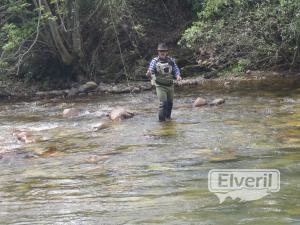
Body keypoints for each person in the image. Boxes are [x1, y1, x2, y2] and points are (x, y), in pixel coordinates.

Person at [146, 43, 182, 122]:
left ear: (167, 52)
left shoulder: (171, 60)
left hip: (170, 85)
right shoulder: (154, 61)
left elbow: (176, 69)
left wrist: (178, 75)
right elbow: (151, 70)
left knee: (170, 103)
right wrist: (149, 73)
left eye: (164, 51)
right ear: (158, 52)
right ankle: (161, 122)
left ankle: (168, 119)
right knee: (163, 104)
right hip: (160, 85)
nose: (162, 52)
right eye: (161, 51)